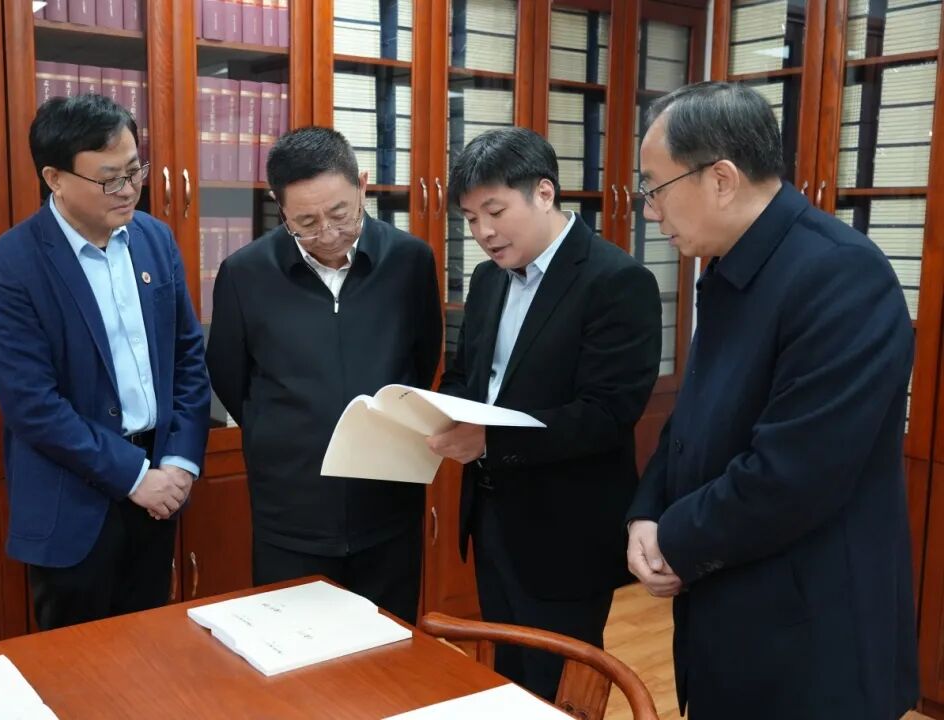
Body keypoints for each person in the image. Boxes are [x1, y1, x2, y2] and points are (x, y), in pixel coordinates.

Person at [626, 81, 919, 719]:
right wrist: (647, 512)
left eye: (655, 188)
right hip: (732, 609)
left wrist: (674, 537)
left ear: (721, 179)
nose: (650, 211)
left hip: (810, 636)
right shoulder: (733, 263)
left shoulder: (840, 274)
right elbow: (695, 416)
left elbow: (793, 475)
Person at [428, 127, 662, 701]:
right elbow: (469, 375)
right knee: (507, 681)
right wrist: (436, 410)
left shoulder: (616, 281)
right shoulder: (487, 280)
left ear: (544, 192)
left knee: (559, 688)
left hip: (565, 530)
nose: (483, 233)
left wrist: (490, 442)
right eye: (470, 219)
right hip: (492, 516)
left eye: (495, 212)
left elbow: (606, 415)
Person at [0, 94, 210, 630]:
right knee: (76, 664)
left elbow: (187, 357)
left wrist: (179, 462)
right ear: (55, 178)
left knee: (152, 649)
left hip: (161, 489)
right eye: (109, 179)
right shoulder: (8, 268)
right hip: (73, 502)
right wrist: (134, 476)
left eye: (134, 171)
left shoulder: (155, 239)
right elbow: (34, 407)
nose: (128, 189)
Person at [206, 127, 441, 623]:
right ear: (280, 209)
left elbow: (422, 361)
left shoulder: (410, 261)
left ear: (363, 185)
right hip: (290, 513)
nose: (329, 234)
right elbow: (231, 379)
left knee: (389, 648)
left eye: (341, 214)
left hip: (388, 507)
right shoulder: (245, 274)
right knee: (295, 651)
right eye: (307, 223)